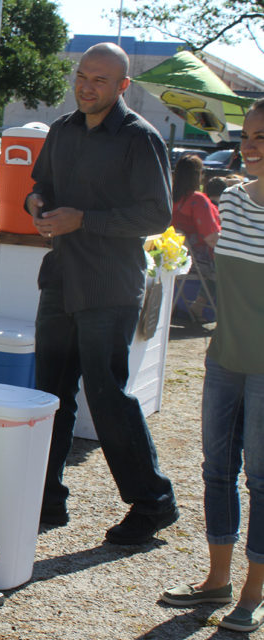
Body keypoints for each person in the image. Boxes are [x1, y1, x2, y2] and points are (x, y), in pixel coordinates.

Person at [26, 42, 178, 544]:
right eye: (82, 76)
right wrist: (37, 204)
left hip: (109, 285)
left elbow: (157, 215)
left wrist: (83, 220)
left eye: (100, 81)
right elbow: (38, 184)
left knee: (107, 395)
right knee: (50, 394)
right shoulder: (63, 129)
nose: (86, 87)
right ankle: (46, 500)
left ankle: (153, 503)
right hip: (61, 279)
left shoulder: (140, 138)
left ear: (122, 87)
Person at [159, 98, 264, 633]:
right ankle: (216, 580)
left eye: (262, 138)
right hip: (224, 358)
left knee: (262, 480)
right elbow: (216, 267)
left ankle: (253, 591)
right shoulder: (236, 202)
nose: (249, 146)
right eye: (247, 135)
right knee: (217, 471)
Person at [171, 154, 221, 262]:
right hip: (200, 260)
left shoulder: (168, 198)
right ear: (198, 175)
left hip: (174, 258)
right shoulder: (197, 200)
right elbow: (212, 239)